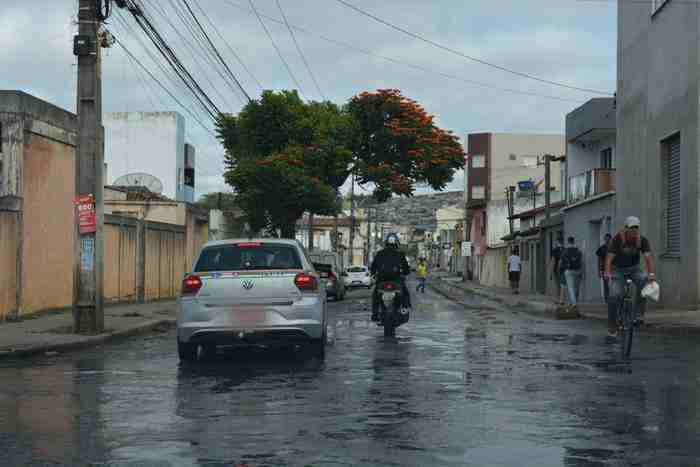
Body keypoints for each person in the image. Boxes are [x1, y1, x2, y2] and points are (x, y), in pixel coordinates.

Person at [604, 216, 656, 337]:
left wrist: (651, 274)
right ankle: (612, 324)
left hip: (634, 269)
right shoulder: (617, 239)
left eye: (636, 228)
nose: (634, 230)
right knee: (614, 295)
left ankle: (638, 315)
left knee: (644, 280)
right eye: (632, 228)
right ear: (626, 228)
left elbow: (648, 258)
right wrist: (607, 272)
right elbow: (609, 258)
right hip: (618, 271)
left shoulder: (642, 240)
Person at [370, 233, 411, 321]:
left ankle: (375, 313)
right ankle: (404, 308)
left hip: (382, 280)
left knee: (375, 295)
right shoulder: (400, 254)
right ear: (396, 243)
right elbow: (406, 269)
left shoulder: (380, 253)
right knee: (405, 292)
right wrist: (405, 273)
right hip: (396, 280)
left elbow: (373, 267)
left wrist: (373, 274)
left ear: (386, 243)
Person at [561, 236, 583, 310]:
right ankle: (574, 301)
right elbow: (581, 260)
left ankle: (574, 303)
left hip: (569, 271)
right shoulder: (578, 250)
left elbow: (562, 261)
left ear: (568, 241)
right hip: (578, 270)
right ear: (573, 241)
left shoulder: (565, 251)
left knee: (571, 288)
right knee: (576, 288)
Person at [596, 233, 613, 303]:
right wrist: (599, 270)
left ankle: (612, 297)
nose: (606, 240)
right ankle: (607, 299)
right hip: (605, 269)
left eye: (608, 239)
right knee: (606, 285)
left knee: (613, 284)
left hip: (614, 269)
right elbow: (599, 260)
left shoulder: (614, 248)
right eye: (605, 239)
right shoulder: (601, 248)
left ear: (610, 239)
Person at [550, 238, 565, 304]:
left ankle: (558, 299)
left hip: (557, 270)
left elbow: (553, 261)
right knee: (563, 285)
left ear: (557, 242)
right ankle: (562, 299)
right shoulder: (565, 249)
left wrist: (550, 271)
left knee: (557, 285)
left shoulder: (555, 250)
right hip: (564, 270)